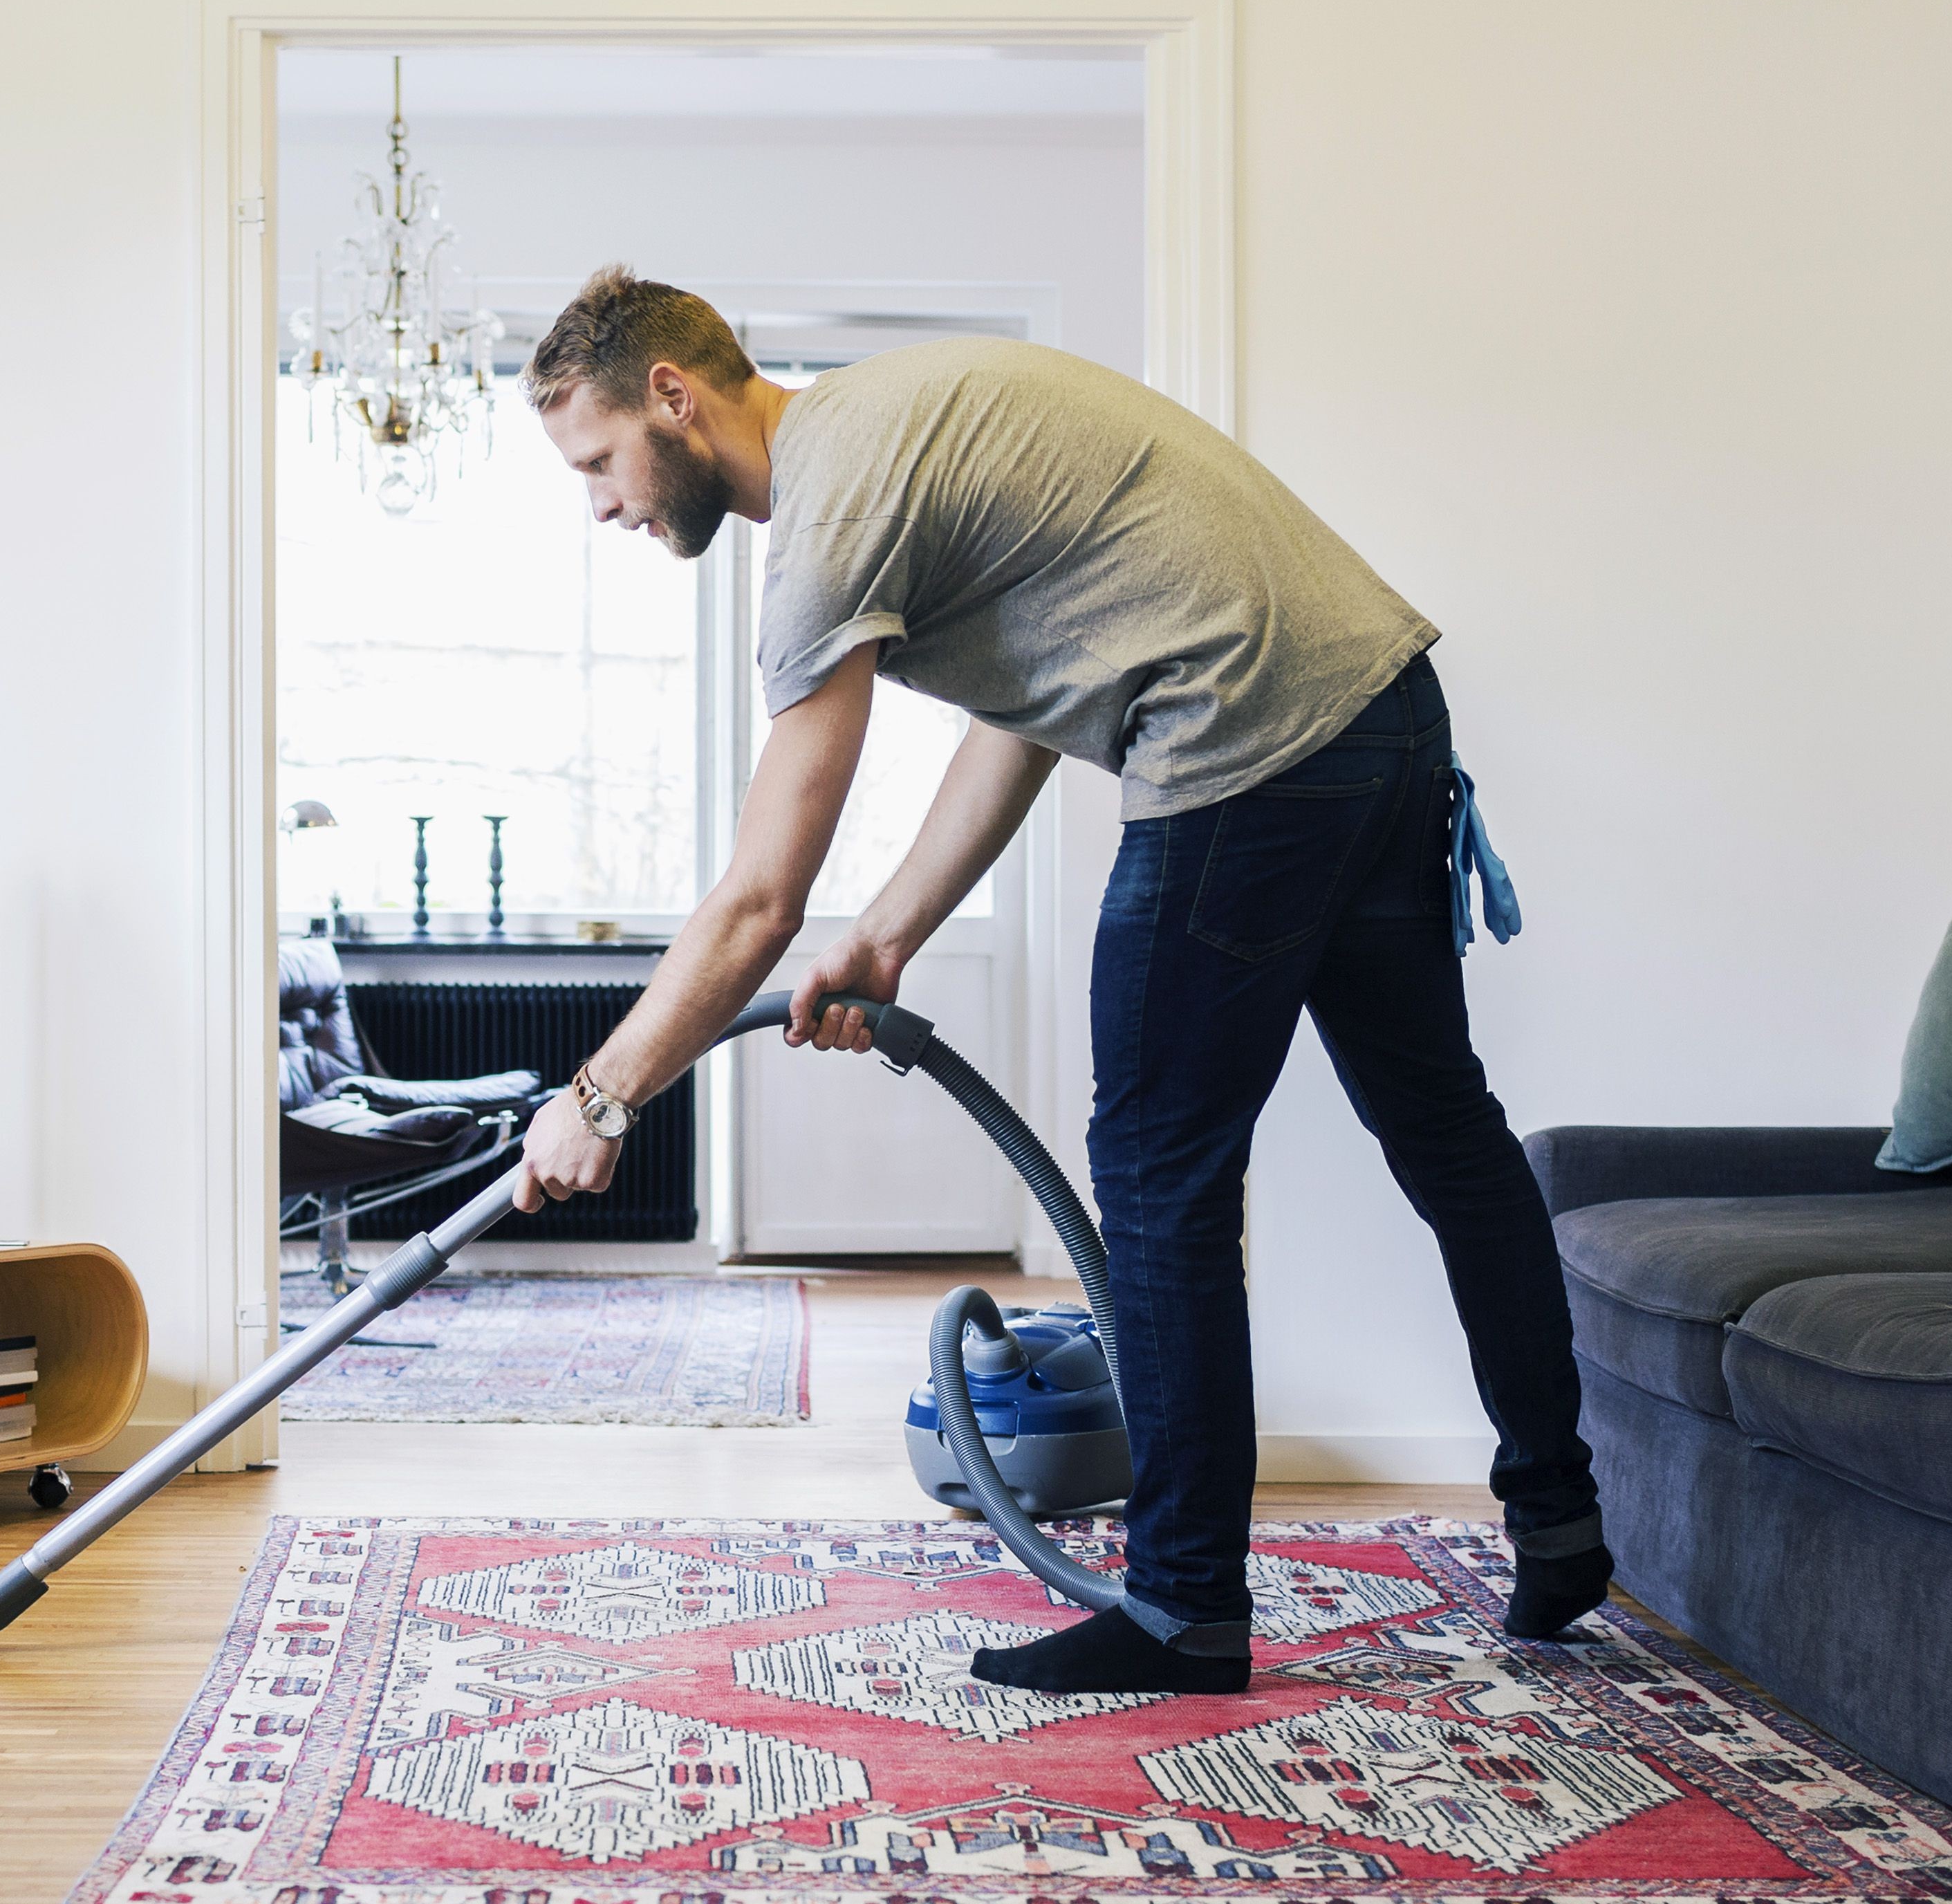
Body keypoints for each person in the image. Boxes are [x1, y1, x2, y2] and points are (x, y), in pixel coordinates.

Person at [508, 266, 1608, 1694]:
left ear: (673, 394)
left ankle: (1184, 1607)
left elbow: (760, 897)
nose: (600, 501)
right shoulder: (898, 428)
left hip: (1243, 746)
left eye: (597, 461)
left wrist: (601, 1097)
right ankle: (1561, 1512)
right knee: (1447, 1134)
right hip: (1381, 713)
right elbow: (1019, 721)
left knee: (1156, 1170)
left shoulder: (831, 513)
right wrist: (894, 929)